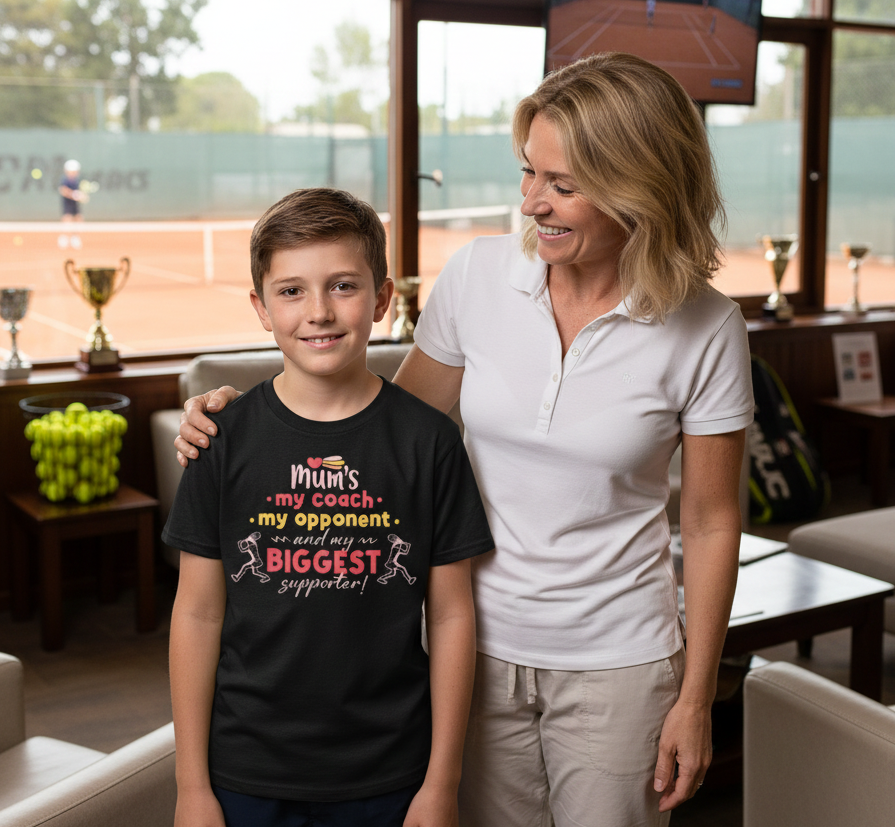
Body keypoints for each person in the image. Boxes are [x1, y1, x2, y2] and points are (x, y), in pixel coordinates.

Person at [176, 53, 753, 827]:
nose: (531, 203)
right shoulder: (479, 275)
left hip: (619, 657)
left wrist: (695, 694)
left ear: (636, 183)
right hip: (469, 646)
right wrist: (235, 417)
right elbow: (379, 426)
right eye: (527, 173)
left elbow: (712, 520)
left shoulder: (706, 325)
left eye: (562, 184)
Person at [163, 187, 494, 827]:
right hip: (245, 769)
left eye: (343, 286)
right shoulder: (221, 439)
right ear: (261, 308)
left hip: (391, 770)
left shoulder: (429, 441)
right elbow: (198, 613)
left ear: (383, 299)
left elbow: (452, 616)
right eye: (291, 291)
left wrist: (441, 784)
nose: (318, 311)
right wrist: (191, 788)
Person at [58, 159, 85, 249]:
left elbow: (81, 192)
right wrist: (73, 195)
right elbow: (63, 190)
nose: (74, 173)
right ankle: (64, 238)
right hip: (67, 203)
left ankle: (75, 238)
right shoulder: (65, 180)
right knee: (67, 219)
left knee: (78, 218)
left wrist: (80, 196)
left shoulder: (78, 181)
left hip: (75, 204)